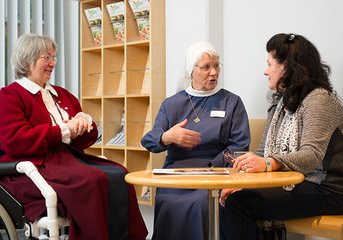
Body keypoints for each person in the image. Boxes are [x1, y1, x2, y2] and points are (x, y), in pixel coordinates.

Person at [0, 34, 148, 240]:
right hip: (34, 163)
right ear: (28, 59)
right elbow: (16, 140)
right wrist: (64, 129)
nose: (52, 63)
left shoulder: (62, 94)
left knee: (120, 174)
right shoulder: (10, 96)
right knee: (92, 180)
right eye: (46, 57)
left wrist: (85, 125)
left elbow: (82, 142)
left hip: (67, 159)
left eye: (54, 58)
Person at [219, 33, 343, 240]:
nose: (265, 71)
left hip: (328, 189)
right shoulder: (280, 103)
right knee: (233, 196)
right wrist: (245, 182)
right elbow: (261, 153)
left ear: (286, 67)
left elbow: (311, 154)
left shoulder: (320, 100)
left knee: (239, 203)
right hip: (302, 184)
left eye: (269, 64)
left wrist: (270, 163)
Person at [141, 40, 250, 240]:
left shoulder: (232, 101)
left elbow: (240, 145)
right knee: (166, 198)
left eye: (217, 66)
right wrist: (167, 137)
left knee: (200, 202)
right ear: (191, 71)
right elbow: (148, 140)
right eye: (206, 67)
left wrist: (212, 166)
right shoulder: (172, 104)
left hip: (217, 171)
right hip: (176, 172)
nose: (214, 72)